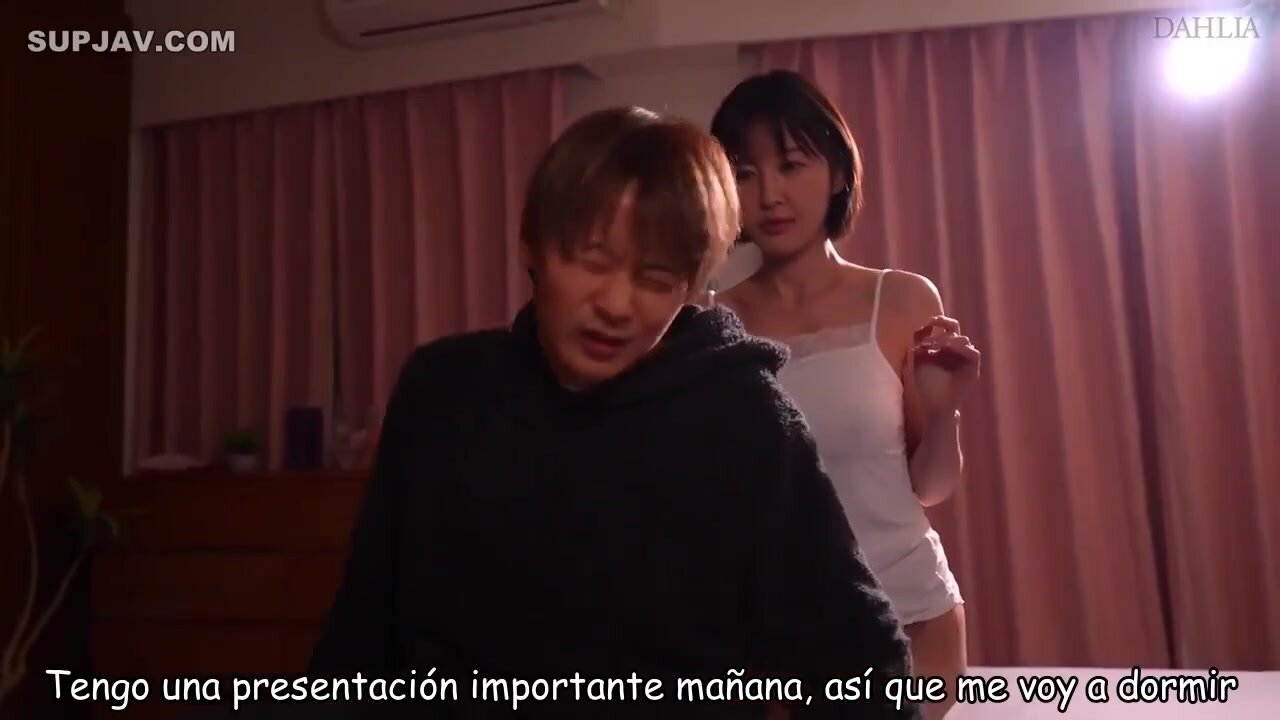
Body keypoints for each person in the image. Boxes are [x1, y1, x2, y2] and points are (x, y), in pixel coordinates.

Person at [296, 106, 920, 719]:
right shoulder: (444, 391)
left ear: (689, 288)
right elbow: (362, 634)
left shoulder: (743, 418)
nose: (617, 305)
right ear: (533, 246)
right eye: (592, 261)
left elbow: (864, 660)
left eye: (656, 278)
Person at [708, 71, 981, 720]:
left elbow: (930, 486)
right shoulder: (711, 323)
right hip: (779, 635)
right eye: (745, 173)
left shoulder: (903, 298)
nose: (770, 194)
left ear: (836, 172)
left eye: (791, 164)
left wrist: (942, 408)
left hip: (913, 616)